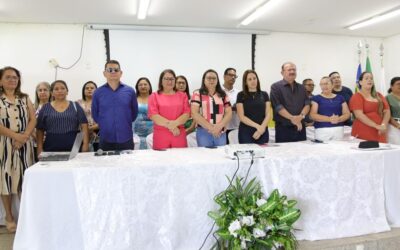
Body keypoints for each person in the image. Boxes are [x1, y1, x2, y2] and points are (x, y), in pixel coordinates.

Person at [0, 67, 36, 232]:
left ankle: (27, 216)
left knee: (24, 179)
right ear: (0, 80)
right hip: (4, 145)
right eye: (8, 77)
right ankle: (9, 216)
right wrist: (16, 136)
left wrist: (24, 137)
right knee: (5, 180)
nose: (12, 80)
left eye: (15, 77)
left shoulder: (25, 98)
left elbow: (32, 119)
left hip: (24, 144)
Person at [92, 60, 138, 151]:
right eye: (109, 70)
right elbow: (95, 115)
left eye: (116, 70)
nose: (113, 72)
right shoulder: (97, 93)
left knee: (127, 164)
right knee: (106, 164)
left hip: (126, 138)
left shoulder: (130, 91)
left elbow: (134, 114)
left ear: (121, 73)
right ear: (104, 73)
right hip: (105, 139)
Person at [36, 80, 89, 154]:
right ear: (52, 93)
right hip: (51, 148)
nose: (60, 91)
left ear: (67, 91)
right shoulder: (45, 108)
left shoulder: (75, 106)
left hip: (74, 148)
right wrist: (39, 148)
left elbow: (84, 125)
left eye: (63, 88)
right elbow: (40, 130)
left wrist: (85, 144)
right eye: (56, 89)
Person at [148, 69, 190, 150]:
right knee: (161, 160)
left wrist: (175, 124)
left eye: (171, 79)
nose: (169, 81)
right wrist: (173, 127)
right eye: (166, 79)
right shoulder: (154, 96)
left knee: (180, 159)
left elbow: (186, 114)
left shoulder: (183, 96)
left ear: (175, 80)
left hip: (178, 134)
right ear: (161, 81)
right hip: (161, 134)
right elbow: (154, 116)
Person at [270, 62, 310, 142]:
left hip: (300, 127)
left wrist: (300, 117)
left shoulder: (302, 87)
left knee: (303, 152)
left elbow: (307, 104)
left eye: (294, 70)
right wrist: (293, 118)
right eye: (289, 70)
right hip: (283, 128)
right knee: (283, 153)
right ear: (282, 72)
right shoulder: (275, 87)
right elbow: (277, 106)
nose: (292, 72)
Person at [191, 69, 232, 147]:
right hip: (203, 131)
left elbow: (229, 113)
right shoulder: (197, 94)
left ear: (217, 80)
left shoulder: (223, 94)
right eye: (209, 78)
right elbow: (194, 113)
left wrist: (219, 127)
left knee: (221, 156)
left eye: (214, 78)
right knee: (205, 156)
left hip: (220, 131)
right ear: (204, 80)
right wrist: (212, 128)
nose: (211, 80)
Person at [349, 72, 390, 143]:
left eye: (371, 78)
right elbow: (359, 115)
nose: (370, 80)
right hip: (363, 130)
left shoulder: (379, 95)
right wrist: (376, 126)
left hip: (379, 131)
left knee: (382, 152)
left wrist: (383, 125)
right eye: (366, 78)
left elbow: (387, 111)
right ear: (360, 82)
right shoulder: (356, 96)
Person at [309, 77, 351, 141]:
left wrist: (339, 119)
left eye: (326, 83)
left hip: (338, 129)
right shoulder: (316, 98)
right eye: (321, 84)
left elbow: (347, 114)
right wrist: (329, 119)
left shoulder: (340, 98)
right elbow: (313, 115)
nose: (324, 86)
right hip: (322, 130)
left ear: (332, 85)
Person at [236, 70, 272, 144]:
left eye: (254, 78)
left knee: (264, 154)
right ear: (245, 82)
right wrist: (258, 127)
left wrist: (261, 128)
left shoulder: (264, 94)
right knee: (247, 154)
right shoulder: (240, 95)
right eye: (249, 79)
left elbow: (268, 114)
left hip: (263, 131)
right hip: (246, 132)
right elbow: (241, 117)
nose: (253, 81)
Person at [77, 81, 99, 151]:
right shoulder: (77, 103)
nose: (89, 89)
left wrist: (91, 128)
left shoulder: (101, 103)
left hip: (96, 133)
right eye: (87, 88)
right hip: (79, 135)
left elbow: (104, 121)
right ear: (83, 91)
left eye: (92, 88)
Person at [134, 77, 153, 149]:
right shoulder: (133, 99)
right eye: (140, 85)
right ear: (137, 87)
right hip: (136, 134)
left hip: (153, 133)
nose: (143, 86)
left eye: (145, 84)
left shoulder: (155, 99)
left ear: (149, 86)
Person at [223, 68, 240, 143]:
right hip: (222, 127)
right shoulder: (218, 92)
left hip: (236, 127)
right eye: (230, 75)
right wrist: (229, 108)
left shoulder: (239, 93)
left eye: (234, 76)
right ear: (224, 76)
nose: (233, 77)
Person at [386, 77, 400, 144]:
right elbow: (387, 115)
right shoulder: (387, 98)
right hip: (394, 127)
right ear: (391, 86)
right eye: (398, 84)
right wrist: (398, 125)